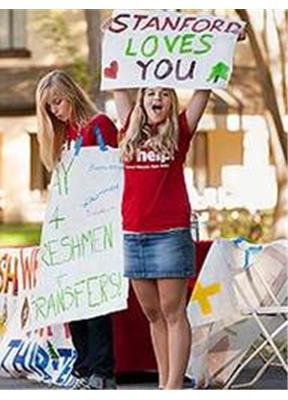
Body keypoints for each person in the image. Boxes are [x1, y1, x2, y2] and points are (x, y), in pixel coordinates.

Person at [112, 86, 211, 389]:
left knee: (172, 312)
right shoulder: (129, 127)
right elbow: (118, 79)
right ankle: (164, 384)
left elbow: (204, 90)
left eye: (165, 94)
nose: (158, 99)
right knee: (153, 314)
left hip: (169, 233)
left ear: (172, 100)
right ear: (141, 99)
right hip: (134, 234)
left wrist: (227, 38)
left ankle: (173, 387)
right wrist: (112, 37)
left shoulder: (180, 130)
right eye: (151, 93)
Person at [35, 70, 119, 390]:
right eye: (49, 107)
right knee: (73, 301)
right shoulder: (64, 135)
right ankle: (83, 367)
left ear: (71, 95)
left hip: (96, 227)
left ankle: (102, 369)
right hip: (69, 230)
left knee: (94, 301)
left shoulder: (99, 126)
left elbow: (107, 175)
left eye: (57, 102)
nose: (55, 110)